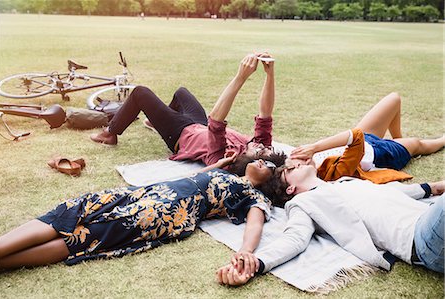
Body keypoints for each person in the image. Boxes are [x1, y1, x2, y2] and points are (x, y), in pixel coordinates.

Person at [0, 155, 279, 270]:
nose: (261, 159)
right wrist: (221, 163)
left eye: (268, 164)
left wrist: (246, 250)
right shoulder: (226, 172)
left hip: (167, 210)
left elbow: (254, 224)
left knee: (92, 235)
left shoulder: (254, 196)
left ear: (269, 182)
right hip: (145, 191)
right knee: (78, 209)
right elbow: (198, 178)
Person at [216, 164, 445, 286]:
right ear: (290, 189)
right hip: (421, 237)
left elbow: (387, 193)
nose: (297, 164)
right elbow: (295, 238)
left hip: (429, 217)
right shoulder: (303, 202)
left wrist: (432, 187)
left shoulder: (343, 183)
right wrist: (256, 263)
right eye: (291, 169)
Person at [90, 53, 286, 169]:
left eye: (261, 150)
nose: (262, 145)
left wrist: (240, 77)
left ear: (254, 163)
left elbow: (216, 120)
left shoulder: (224, 159)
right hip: (199, 125)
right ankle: (158, 120)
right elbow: (265, 114)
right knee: (181, 93)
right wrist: (270, 73)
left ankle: (110, 133)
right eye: (266, 148)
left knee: (140, 93)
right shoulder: (259, 148)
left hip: (179, 135)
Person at [290, 92, 444, 174]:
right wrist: (315, 148)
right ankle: (436, 142)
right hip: (380, 154)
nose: (298, 165)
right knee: (419, 144)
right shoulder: (315, 178)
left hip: (361, 139)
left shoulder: (288, 162)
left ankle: (399, 142)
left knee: (394, 99)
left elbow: (355, 134)